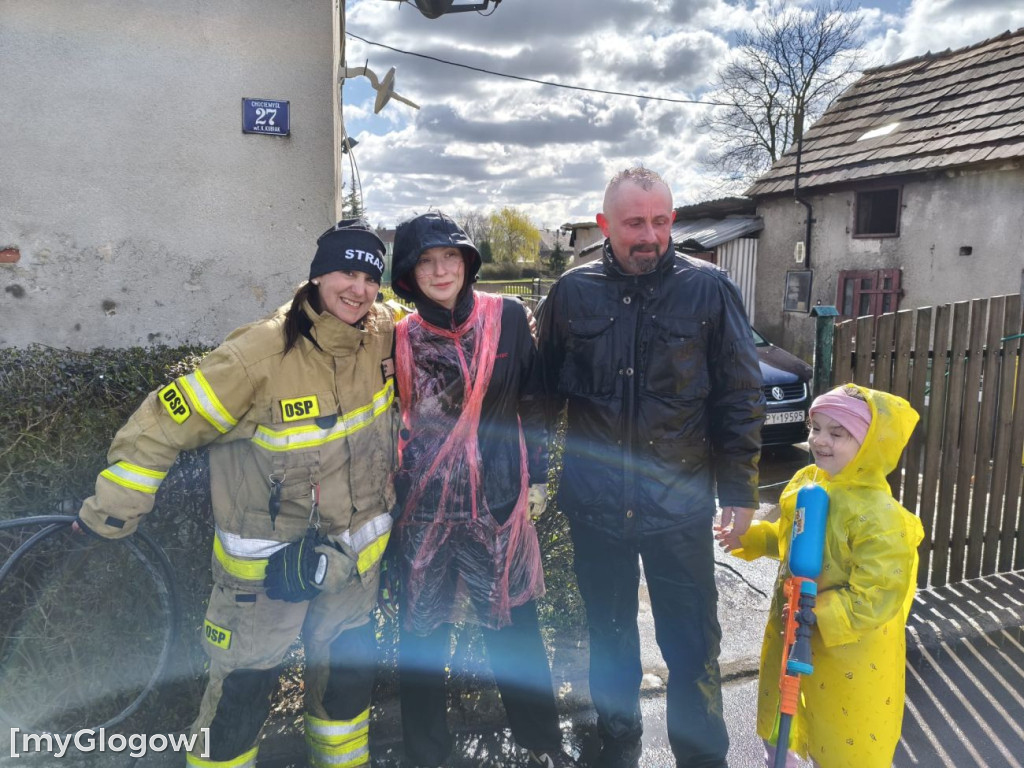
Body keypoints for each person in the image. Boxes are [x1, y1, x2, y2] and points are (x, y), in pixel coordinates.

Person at [75, 219, 396, 768]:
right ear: (318, 275)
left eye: (370, 276)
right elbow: (161, 425)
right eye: (346, 271)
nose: (358, 288)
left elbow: (447, 318)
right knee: (238, 710)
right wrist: (109, 514)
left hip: (352, 576)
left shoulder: (382, 335)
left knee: (346, 694)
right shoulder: (259, 355)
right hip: (263, 588)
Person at [537, 166, 765, 768]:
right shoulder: (571, 293)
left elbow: (740, 395)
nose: (650, 235)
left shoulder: (710, 291)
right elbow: (541, 396)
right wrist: (534, 476)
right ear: (603, 224)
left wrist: (739, 491)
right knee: (609, 640)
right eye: (635, 222)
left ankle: (702, 755)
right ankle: (616, 744)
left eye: (662, 221)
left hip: (678, 507)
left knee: (692, 646)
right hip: (596, 509)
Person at [387, 211, 576, 768]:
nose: (441, 270)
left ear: (468, 262)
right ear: (408, 272)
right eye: (426, 260)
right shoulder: (400, 336)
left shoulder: (508, 317)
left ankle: (541, 743)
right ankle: (426, 755)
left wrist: (538, 476)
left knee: (515, 630)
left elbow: (534, 399)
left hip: (496, 503)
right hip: (423, 509)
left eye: (451, 257)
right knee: (421, 639)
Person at [720, 384, 923, 768]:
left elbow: (879, 592)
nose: (820, 440)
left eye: (837, 432)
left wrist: (817, 618)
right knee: (786, 716)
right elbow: (791, 539)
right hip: (790, 636)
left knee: (843, 736)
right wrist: (750, 537)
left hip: (849, 656)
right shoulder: (808, 484)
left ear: (869, 443)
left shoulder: (880, 516)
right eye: (816, 428)